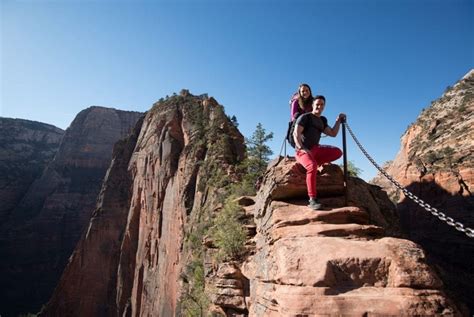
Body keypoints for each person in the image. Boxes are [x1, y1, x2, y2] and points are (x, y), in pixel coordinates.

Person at [293, 95, 346, 210]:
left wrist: (338, 121)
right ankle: (312, 199)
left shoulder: (322, 120)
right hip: (302, 150)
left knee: (337, 152)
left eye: (322, 105)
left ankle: (315, 161)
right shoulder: (305, 117)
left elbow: (332, 133)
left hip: (316, 149)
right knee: (312, 166)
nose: (319, 106)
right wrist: (302, 148)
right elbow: (295, 134)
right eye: (317, 104)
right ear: (312, 104)